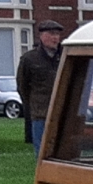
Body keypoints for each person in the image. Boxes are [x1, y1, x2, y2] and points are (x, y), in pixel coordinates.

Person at [16, 20, 64, 148]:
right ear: (42, 36)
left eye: (57, 34)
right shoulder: (29, 59)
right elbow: (22, 86)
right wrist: (33, 105)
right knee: (42, 150)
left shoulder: (65, 56)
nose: (55, 38)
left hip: (62, 111)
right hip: (40, 113)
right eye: (52, 34)